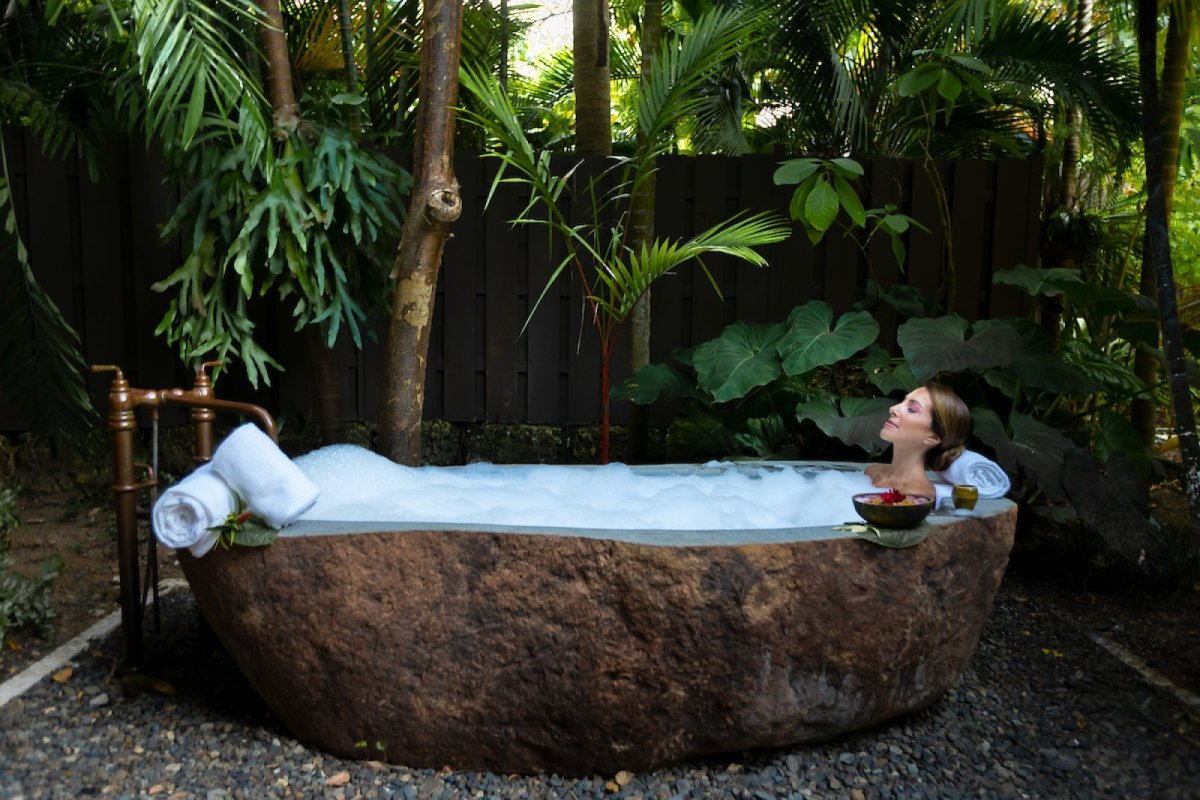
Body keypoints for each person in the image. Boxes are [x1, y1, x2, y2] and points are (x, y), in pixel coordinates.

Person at [865, 382, 971, 499]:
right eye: (902, 401)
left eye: (911, 409)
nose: (893, 409)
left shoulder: (916, 494)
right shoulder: (872, 472)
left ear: (932, 438)